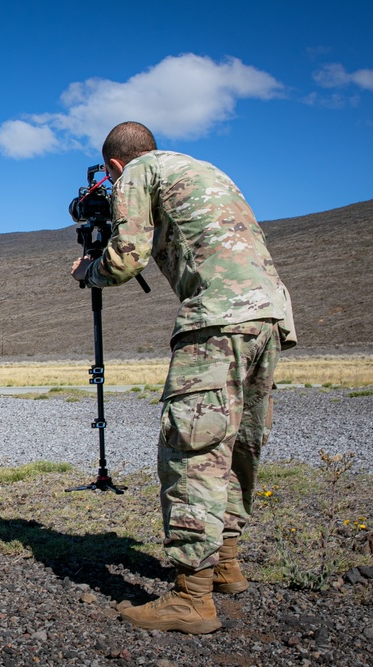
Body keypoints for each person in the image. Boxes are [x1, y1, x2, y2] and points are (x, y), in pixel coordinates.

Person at [71, 121, 296, 634]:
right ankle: (225, 565)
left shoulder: (137, 173)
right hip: (269, 316)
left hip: (218, 317)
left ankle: (191, 598)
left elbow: (127, 257)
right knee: (235, 444)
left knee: (192, 451)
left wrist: (89, 270)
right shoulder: (204, 169)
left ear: (113, 166)